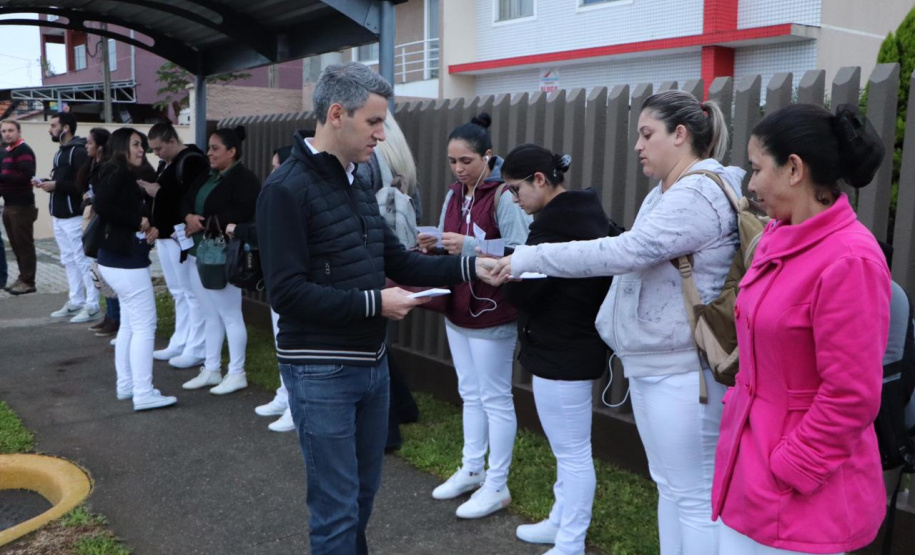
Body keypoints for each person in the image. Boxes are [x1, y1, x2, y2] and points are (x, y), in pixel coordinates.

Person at [256, 62, 498, 555]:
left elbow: (400, 261)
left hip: (372, 367)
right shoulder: (285, 189)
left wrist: (475, 267)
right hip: (320, 371)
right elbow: (285, 294)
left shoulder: (358, 180)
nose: (383, 134)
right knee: (336, 509)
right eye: (374, 123)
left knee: (360, 499)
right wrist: (374, 303)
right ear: (337, 115)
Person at [493, 90, 742, 554]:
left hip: (685, 373)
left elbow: (628, 252)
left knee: (691, 495)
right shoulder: (667, 192)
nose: (638, 146)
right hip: (657, 365)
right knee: (671, 488)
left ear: (681, 135)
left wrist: (533, 256)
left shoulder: (699, 192)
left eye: (648, 134)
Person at [711, 104, 890, 555]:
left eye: (756, 169)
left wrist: (790, 467)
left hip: (802, 496)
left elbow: (851, 394)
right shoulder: (778, 235)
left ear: (794, 169)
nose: (749, 185)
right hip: (750, 473)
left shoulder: (849, 260)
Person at [500, 144, 615, 555]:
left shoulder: (554, 226)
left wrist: (502, 275)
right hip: (569, 346)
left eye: (516, 190)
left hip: (563, 350)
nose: (515, 200)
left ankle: (571, 541)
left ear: (540, 180)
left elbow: (527, 291)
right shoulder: (582, 213)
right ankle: (560, 522)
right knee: (567, 449)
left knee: (573, 452)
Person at [416, 113, 531, 519]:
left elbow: (521, 249)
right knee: (470, 392)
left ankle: (497, 485)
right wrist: (433, 241)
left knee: (496, 398)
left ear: (487, 156)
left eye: (466, 160)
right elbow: (455, 242)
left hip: (493, 310)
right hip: (459, 304)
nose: (458, 168)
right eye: (452, 161)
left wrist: (469, 243)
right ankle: (472, 468)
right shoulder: (454, 194)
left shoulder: (503, 196)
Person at [93, 127, 176, 411]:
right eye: (136, 144)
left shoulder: (116, 171)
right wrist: (136, 221)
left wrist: (145, 223)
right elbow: (103, 206)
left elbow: (111, 207)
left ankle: (127, 385)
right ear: (120, 146)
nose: (142, 149)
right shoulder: (118, 172)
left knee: (130, 325)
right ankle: (143, 391)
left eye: (142, 145)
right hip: (124, 261)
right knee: (144, 326)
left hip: (118, 258)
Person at [354, 113, 422, 451]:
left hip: (371, 257)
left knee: (374, 346)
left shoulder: (366, 161)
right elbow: (415, 211)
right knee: (381, 342)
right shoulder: (401, 160)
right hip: (397, 254)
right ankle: (405, 408)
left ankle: (389, 429)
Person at [179, 126, 259, 395]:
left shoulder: (245, 179)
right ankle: (212, 369)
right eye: (209, 148)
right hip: (197, 254)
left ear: (232, 152)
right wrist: (189, 216)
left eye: (215, 148)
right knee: (209, 313)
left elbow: (241, 212)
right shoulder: (207, 174)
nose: (209, 153)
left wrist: (201, 224)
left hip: (223, 256)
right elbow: (186, 199)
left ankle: (237, 372)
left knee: (230, 315)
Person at [140, 121, 209, 369]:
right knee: (179, 292)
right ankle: (181, 341)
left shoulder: (191, 160)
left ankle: (196, 346)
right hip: (167, 235)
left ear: (171, 140)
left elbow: (188, 198)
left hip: (181, 235)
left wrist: (157, 192)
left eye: (159, 148)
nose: (156, 153)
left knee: (191, 293)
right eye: (153, 150)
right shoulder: (167, 163)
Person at [247, 143, 296, 433]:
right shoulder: (276, 193)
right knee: (281, 342)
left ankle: (294, 405)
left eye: (278, 166)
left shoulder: (291, 194)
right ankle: (284, 394)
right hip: (277, 277)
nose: (272, 172)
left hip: (291, 281)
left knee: (290, 344)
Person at [35, 113, 100, 322]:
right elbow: (63, 182)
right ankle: (76, 301)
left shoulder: (78, 152)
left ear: (66, 128)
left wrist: (56, 186)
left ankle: (93, 305)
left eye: (54, 125)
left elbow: (82, 185)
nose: (50, 129)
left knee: (83, 260)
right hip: (59, 215)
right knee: (69, 260)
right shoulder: (60, 152)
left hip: (73, 215)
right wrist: (47, 182)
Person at [74, 128, 121, 338]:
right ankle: (109, 315)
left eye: (89, 142)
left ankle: (115, 317)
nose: (86, 146)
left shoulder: (109, 167)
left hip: (106, 224)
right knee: (99, 269)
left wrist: (92, 198)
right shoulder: (92, 165)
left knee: (107, 270)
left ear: (100, 146)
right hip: (93, 220)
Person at [0, 119, 38, 295]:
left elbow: (26, 175)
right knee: (16, 245)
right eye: (4, 131)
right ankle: (22, 277)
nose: (7, 134)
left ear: (19, 132)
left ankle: (28, 281)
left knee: (24, 245)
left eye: (10, 130)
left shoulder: (23, 150)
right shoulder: (7, 152)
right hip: (9, 205)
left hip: (22, 206)